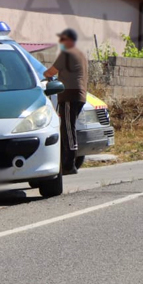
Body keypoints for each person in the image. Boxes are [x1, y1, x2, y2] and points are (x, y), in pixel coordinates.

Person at [43, 28, 87, 175]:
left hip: (70, 95)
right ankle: (67, 163)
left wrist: (43, 74)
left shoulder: (67, 53)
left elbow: (51, 72)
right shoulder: (80, 54)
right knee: (68, 129)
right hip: (78, 95)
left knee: (68, 130)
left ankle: (69, 165)